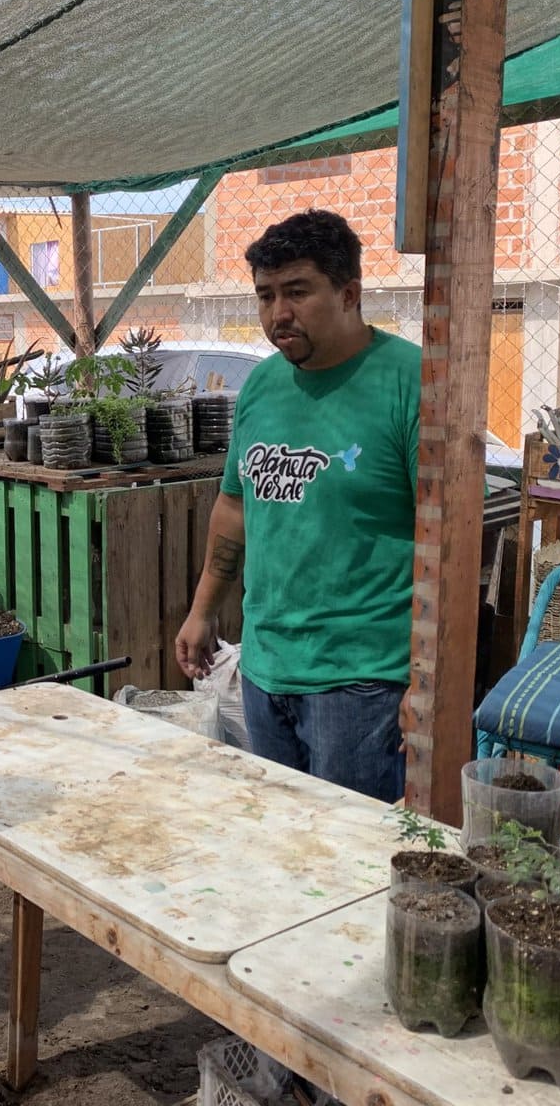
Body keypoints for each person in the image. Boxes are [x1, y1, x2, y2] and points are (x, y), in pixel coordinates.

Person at [175, 209, 418, 803]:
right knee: (284, 834)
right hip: (265, 665)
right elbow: (235, 506)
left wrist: (429, 677)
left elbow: (454, 541)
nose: (277, 314)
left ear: (349, 293)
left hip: (363, 679)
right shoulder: (261, 386)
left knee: (351, 843)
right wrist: (203, 609)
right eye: (266, 296)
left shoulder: (411, 382)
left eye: (297, 292)